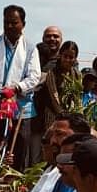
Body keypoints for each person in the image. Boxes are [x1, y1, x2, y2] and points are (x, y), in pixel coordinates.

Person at [0, 4, 41, 168]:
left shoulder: (31, 48)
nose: (9, 26)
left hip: (21, 110)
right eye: (6, 22)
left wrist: (16, 88)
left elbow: (34, 77)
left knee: (18, 151)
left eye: (14, 23)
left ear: (23, 24)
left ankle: (15, 187)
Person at [29, 25, 63, 166]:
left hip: (57, 121)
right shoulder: (34, 60)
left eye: (56, 36)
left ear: (61, 40)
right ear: (43, 39)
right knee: (35, 160)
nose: (52, 39)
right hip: (34, 120)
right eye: (48, 36)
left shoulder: (65, 63)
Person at [37, 41, 80, 142]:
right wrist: (62, 114)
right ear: (60, 55)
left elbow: (77, 95)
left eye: (71, 57)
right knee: (52, 142)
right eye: (65, 56)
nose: (67, 60)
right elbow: (54, 95)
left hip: (70, 114)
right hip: (53, 114)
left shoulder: (76, 75)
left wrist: (75, 114)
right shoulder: (52, 73)